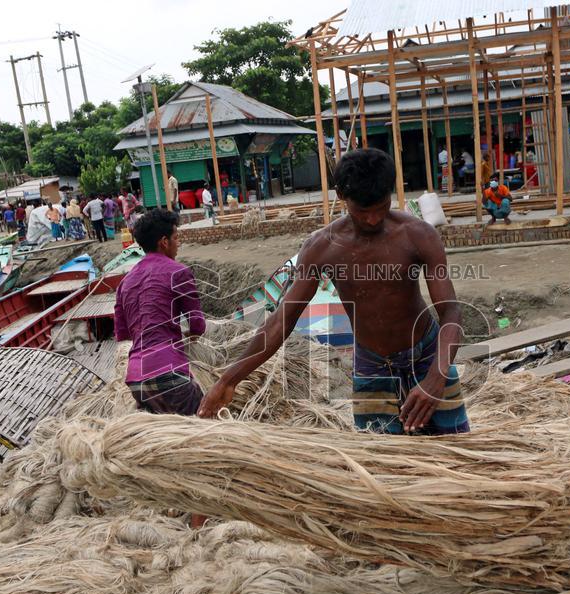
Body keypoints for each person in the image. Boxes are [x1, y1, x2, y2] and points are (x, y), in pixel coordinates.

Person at [199, 148, 470, 435]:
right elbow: (282, 320)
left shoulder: (418, 235)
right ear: (341, 195)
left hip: (428, 354)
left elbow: (450, 310)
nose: (372, 220)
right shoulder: (322, 247)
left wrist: (436, 376)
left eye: (380, 207)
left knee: (456, 449)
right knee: (381, 459)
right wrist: (228, 380)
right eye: (362, 211)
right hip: (372, 364)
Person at [115, 208, 206, 415]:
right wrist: (180, 337)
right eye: (176, 238)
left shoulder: (124, 283)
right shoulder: (178, 272)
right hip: (169, 371)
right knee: (204, 426)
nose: (178, 244)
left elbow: (124, 334)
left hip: (136, 379)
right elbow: (198, 326)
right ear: (164, 242)